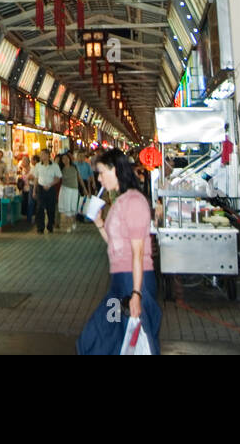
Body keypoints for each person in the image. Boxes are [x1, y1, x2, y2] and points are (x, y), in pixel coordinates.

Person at [77, 148, 161, 355]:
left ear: (115, 170)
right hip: (118, 285)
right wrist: (98, 223)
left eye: (101, 172)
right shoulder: (120, 201)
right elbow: (114, 243)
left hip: (132, 283)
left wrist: (136, 293)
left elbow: (138, 252)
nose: (98, 178)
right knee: (104, 334)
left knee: (130, 337)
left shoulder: (133, 202)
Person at [32, 149, 63, 234]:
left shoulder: (54, 166)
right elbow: (36, 178)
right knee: (40, 208)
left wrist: (50, 185)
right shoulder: (38, 166)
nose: (41, 156)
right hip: (40, 188)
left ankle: (50, 225)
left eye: (42, 154)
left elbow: (58, 178)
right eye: (40, 155)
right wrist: (34, 190)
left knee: (51, 208)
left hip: (50, 189)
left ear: (47, 155)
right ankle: (40, 227)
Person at [57, 153, 81, 232]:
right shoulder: (61, 168)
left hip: (74, 189)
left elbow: (79, 178)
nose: (65, 160)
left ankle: (73, 222)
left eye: (66, 158)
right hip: (65, 189)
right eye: (63, 159)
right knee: (67, 207)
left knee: (73, 206)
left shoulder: (74, 167)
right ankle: (68, 225)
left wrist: (84, 189)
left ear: (69, 159)